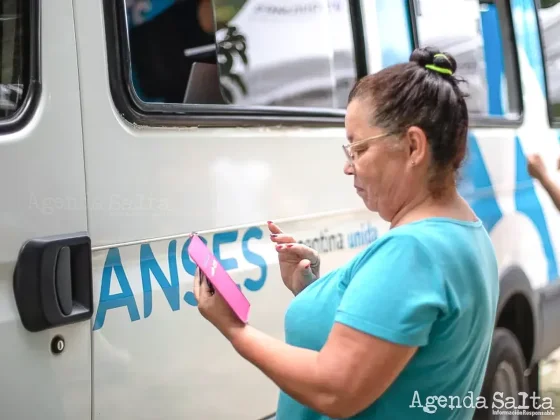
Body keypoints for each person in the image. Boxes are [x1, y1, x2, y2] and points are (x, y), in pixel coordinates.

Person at [192, 47, 500, 419]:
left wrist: (235, 330)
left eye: (357, 148)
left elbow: (335, 389)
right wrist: (312, 290)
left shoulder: (412, 250)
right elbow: (389, 336)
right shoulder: (466, 231)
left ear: (413, 146)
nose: (348, 167)